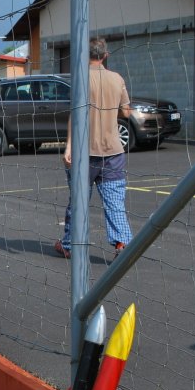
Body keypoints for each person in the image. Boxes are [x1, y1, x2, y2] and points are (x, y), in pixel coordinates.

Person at [55, 38, 133, 259]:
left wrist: (69, 146)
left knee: (79, 200)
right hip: (113, 151)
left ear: (83, 55)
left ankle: (70, 244)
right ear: (105, 55)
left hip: (84, 153)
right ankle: (122, 244)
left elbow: (75, 114)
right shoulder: (117, 79)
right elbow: (126, 112)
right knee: (115, 202)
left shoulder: (80, 78)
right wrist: (108, 111)